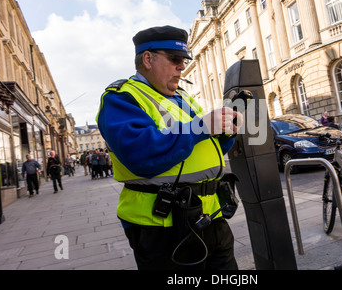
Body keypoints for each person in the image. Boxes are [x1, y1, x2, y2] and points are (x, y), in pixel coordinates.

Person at [97, 25, 243, 270]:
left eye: (184, 61)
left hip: (210, 216)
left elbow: (207, 146)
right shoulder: (122, 98)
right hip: (164, 226)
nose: (182, 67)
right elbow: (141, 155)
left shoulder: (182, 97)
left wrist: (227, 131)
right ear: (147, 59)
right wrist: (202, 126)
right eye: (175, 59)